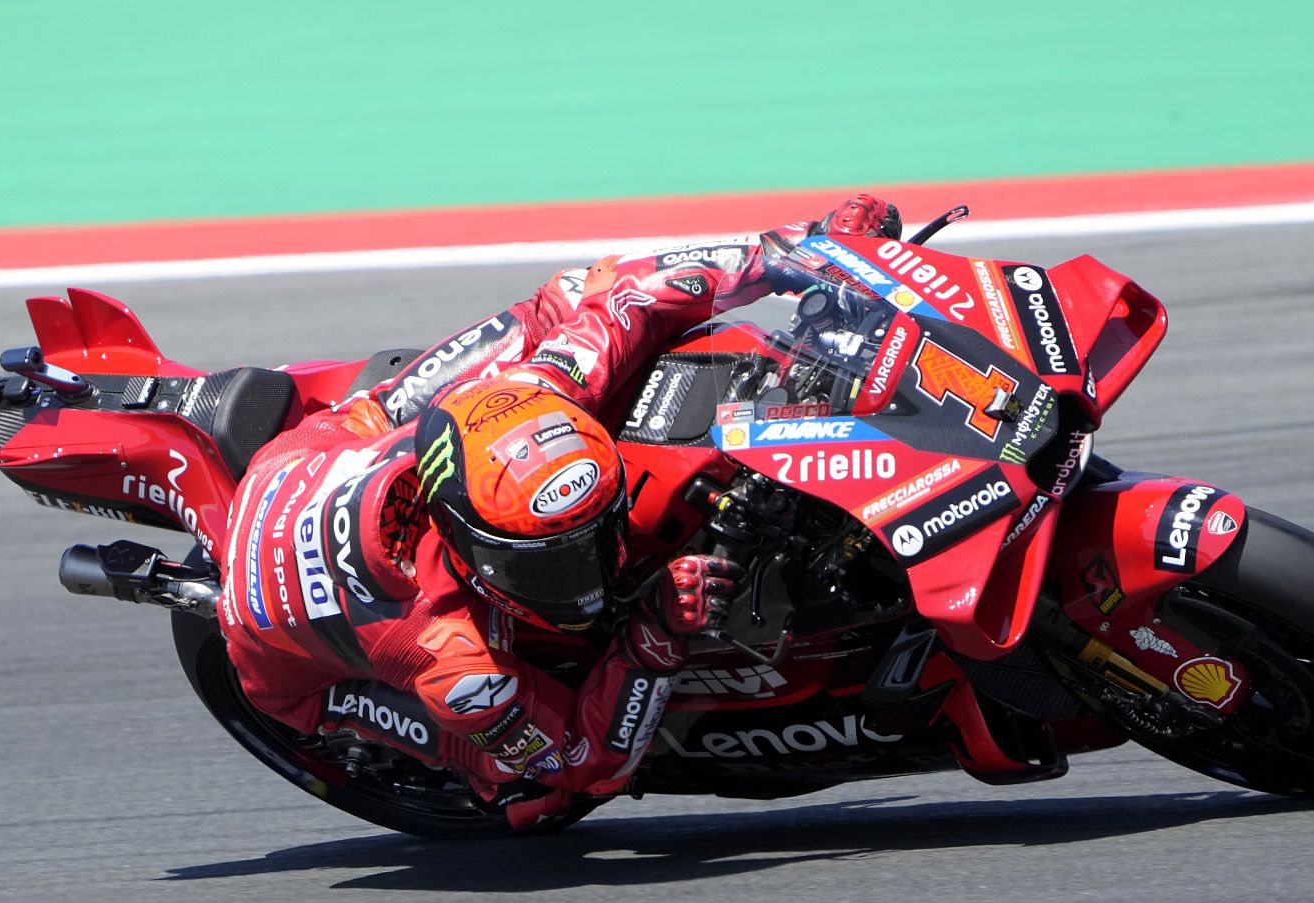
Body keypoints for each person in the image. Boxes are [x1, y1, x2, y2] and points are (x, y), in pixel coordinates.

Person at [216, 194, 903, 828]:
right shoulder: (452, 655)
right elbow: (588, 760)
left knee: (571, 296)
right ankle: (471, 770)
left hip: (334, 442)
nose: (593, 578)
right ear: (468, 546)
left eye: (594, 539)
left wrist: (806, 249)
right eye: (549, 566)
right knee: (536, 793)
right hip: (281, 656)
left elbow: (633, 288)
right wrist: (654, 631)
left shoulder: (545, 385)